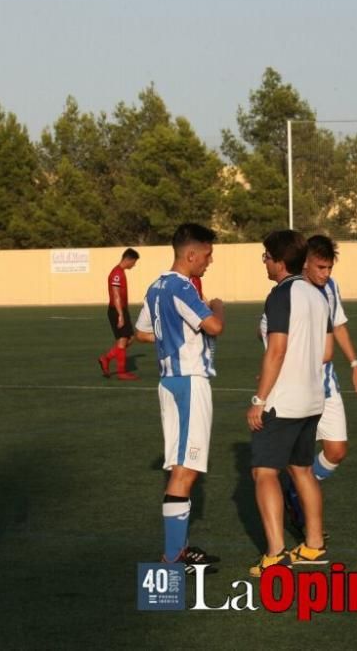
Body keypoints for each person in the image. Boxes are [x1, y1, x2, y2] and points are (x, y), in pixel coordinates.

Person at [133, 224, 224, 574]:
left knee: (182, 466)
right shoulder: (182, 286)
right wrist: (216, 307)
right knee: (185, 471)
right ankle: (171, 560)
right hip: (189, 383)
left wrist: (169, 335)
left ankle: (179, 551)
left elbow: (142, 332)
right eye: (207, 254)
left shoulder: (156, 286)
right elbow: (214, 326)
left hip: (169, 382)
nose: (209, 261)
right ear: (190, 254)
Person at [248, 230, 332, 577]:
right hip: (313, 399)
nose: (265, 262)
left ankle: (275, 553)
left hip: (283, 402)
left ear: (280, 262)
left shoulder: (281, 294)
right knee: (302, 469)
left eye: (266, 256)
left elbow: (277, 349)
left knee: (264, 471)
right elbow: (326, 352)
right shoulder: (318, 294)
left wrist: (259, 399)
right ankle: (313, 546)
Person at [281, 235, 357, 532]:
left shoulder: (330, 288)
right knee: (296, 455)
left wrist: (355, 364)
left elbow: (338, 324)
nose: (326, 274)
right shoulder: (289, 290)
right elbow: (268, 333)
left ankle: (295, 488)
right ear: (305, 263)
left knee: (337, 450)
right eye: (321, 267)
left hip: (327, 385)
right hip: (297, 388)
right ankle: (299, 499)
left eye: (329, 267)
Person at [98, 248, 140, 380]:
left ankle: (106, 358)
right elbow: (116, 295)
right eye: (134, 262)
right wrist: (120, 315)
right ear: (129, 259)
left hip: (121, 309)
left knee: (130, 338)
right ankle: (122, 372)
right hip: (117, 310)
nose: (134, 265)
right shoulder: (117, 273)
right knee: (122, 340)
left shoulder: (120, 272)